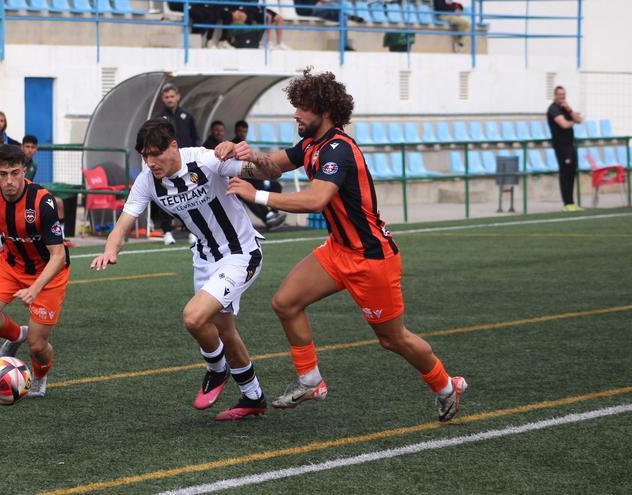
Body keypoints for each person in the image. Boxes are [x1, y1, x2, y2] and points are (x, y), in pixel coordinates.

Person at [221, 68, 468, 422]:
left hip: (371, 260)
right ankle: (311, 380)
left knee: (392, 339)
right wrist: (233, 160)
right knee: (286, 303)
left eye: (303, 107)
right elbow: (272, 166)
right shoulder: (310, 144)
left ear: (325, 110)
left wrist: (255, 194)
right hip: (338, 250)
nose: (296, 114)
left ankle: (447, 386)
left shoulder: (339, 150)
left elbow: (316, 200)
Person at [91, 118, 268, 421]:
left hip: (240, 254)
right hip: (203, 258)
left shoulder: (206, 160)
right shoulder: (148, 179)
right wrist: (110, 249)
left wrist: (245, 155)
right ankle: (253, 397)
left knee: (194, 317)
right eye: (145, 155)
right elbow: (123, 223)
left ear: (173, 146)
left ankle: (216, 369)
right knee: (224, 330)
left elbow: (260, 171)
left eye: (156, 154)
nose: (150, 162)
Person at [0, 144, 70, 399]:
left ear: (25, 170)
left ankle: (39, 376)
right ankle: (16, 335)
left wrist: (35, 289)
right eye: (3, 174)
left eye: (15, 173)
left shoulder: (42, 202)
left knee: (38, 346)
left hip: (47, 274)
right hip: (10, 264)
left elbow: (58, 256)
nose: (10, 181)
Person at [155, 83, 200, 245]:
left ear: (178, 97)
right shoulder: (159, 118)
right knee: (167, 196)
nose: (170, 99)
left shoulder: (187, 116)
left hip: (186, 163)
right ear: (163, 99)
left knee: (191, 194)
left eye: (172, 96)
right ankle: (167, 232)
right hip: (167, 165)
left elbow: (196, 139)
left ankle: (193, 230)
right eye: (166, 97)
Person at [231, 120, 286, 230]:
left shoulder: (245, 145)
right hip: (243, 180)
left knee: (276, 185)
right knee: (249, 193)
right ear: (236, 131)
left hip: (255, 179)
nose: (243, 134)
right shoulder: (233, 145)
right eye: (240, 131)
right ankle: (267, 218)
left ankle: (272, 213)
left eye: (245, 132)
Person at [547, 86, 585, 212]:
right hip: (561, 146)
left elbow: (580, 120)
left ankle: (571, 202)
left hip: (570, 145)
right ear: (555, 95)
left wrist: (570, 111)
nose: (561, 97)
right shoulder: (553, 109)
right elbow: (564, 124)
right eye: (559, 94)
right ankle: (567, 203)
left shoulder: (566, 109)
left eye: (563, 94)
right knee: (565, 173)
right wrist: (574, 121)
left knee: (571, 173)